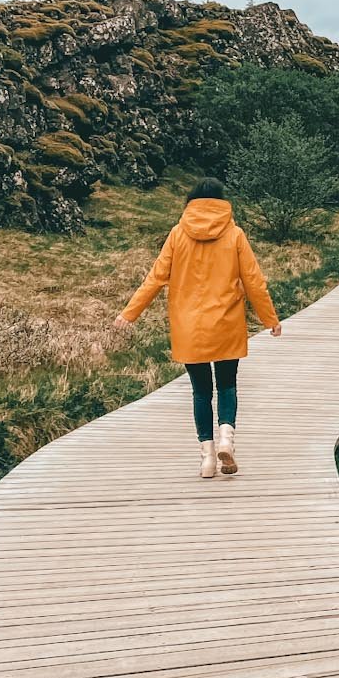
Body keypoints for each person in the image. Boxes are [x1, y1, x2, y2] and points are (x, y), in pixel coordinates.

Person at [115, 178, 281, 478]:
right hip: (227, 322)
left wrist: (129, 314)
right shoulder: (235, 234)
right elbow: (253, 281)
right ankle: (227, 438)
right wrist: (269, 319)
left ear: (191, 202)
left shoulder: (178, 234)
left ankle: (207, 458)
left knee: (201, 392)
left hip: (189, 327)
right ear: (221, 202)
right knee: (227, 384)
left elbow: (156, 277)